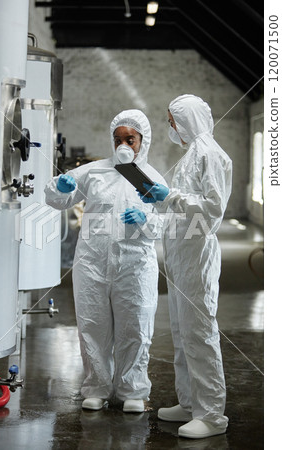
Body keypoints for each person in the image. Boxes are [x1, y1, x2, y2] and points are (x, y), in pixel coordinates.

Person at [45, 109, 167, 413]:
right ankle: (97, 387)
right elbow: (58, 198)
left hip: (135, 265)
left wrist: (144, 221)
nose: (123, 145)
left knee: (136, 326)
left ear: (142, 141)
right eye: (118, 139)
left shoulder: (151, 178)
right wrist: (58, 187)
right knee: (93, 325)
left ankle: (133, 390)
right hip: (93, 262)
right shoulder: (94, 171)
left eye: (130, 139)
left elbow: (168, 224)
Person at [138, 95, 232, 439]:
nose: (170, 128)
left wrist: (170, 196)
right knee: (181, 332)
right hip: (179, 252)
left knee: (199, 333)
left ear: (186, 120)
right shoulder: (191, 155)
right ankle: (190, 403)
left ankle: (211, 415)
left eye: (172, 121)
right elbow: (180, 205)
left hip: (197, 253)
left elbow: (212, 210)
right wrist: (160, 199)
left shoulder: (211, 155)